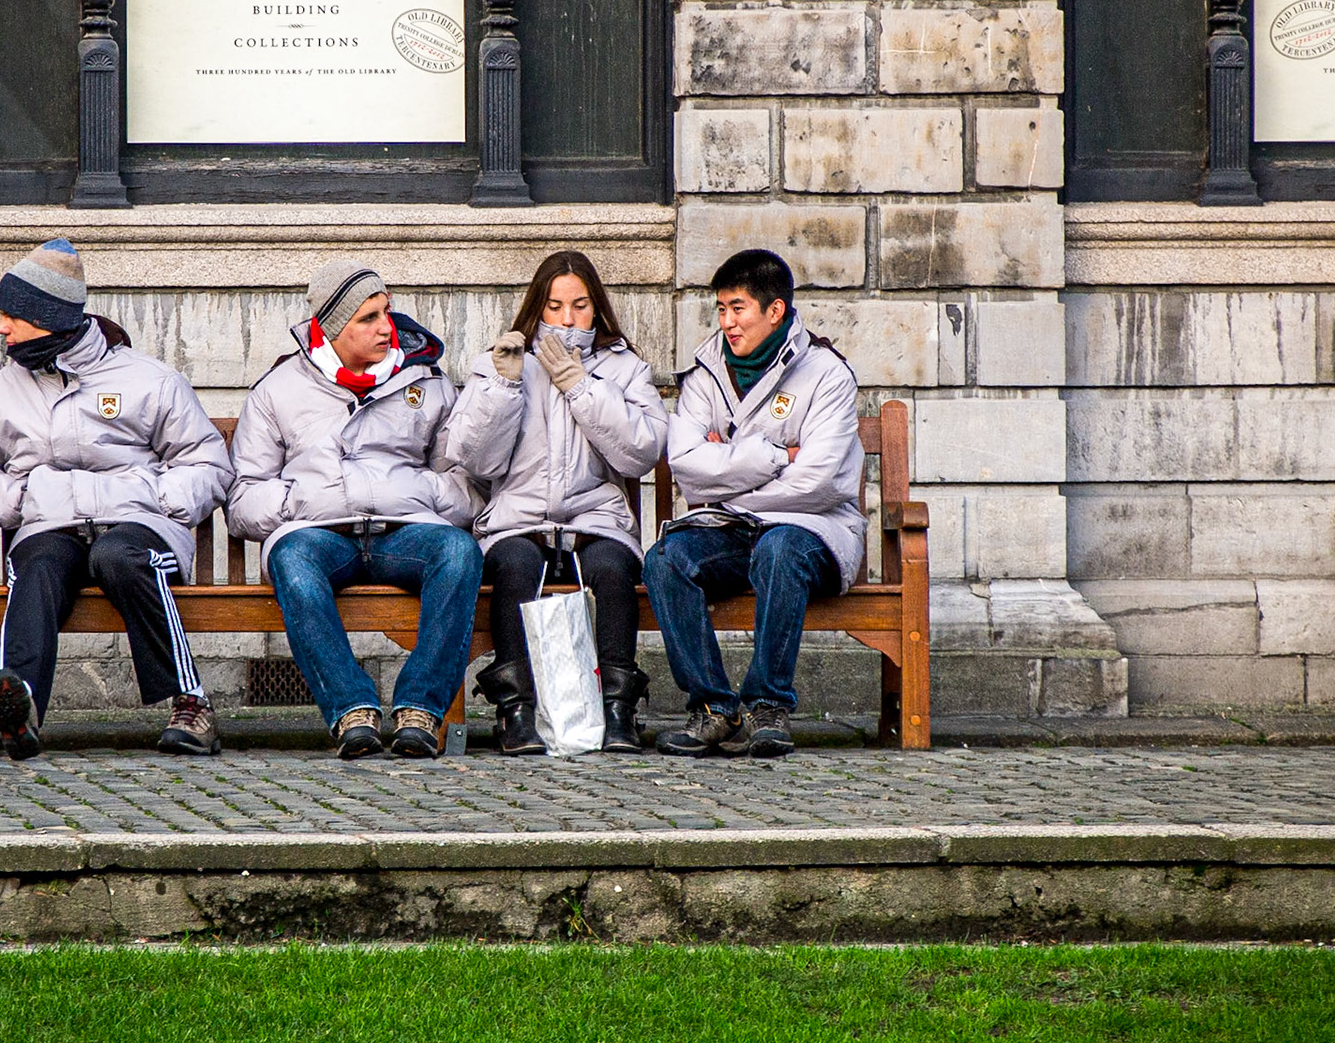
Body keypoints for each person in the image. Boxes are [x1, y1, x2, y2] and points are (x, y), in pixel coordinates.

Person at [0, 240, 234, 761]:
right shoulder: (0, 392)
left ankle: (191, 705)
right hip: (50, 526)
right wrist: (20, 496)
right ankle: (20, 714)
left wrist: (158, 496)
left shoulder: (149, 380)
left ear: (48, 317)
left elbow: (208, 463)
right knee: (37, 566)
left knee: (120, 557)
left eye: (11, 316)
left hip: (138, 526)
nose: (1, 328)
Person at [227, 259, 483, 760]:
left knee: (458, 552)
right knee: (292, 562)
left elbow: (465, 483)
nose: (386, 327)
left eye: (386, 313)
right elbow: (243, 497)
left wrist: (415, 492)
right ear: (332, 326)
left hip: (405, 531)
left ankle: (420, 710)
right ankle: (350, 709)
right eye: (368, 318)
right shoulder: (278, 389)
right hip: (319, 534)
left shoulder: (427, 384)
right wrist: (301, 501)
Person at [644, 249, 865, 760]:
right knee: (666, 558)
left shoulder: (827, 373)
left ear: (775, 311)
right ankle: (715, 709)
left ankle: (768, 706)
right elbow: (687, 466)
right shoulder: (704, 373)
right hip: (729, 527)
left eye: (737, 308)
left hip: (812, 530)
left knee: (779, 548)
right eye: (720, 309)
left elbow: (821, 480)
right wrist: (773, 456)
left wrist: (728, 469)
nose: (727, 322)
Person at [442, 251, 666, 754]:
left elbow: (641, 452)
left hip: (596, 515)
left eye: (581, 306)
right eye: (556, 306)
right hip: (517, 518)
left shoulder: (624, 367)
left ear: (597, 308)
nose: (568, 319)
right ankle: (515, 710)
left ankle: (617, 709)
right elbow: (473, 459)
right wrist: (502, 386)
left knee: (611, 568)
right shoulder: (499, 362)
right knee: (515, 565)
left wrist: (580, 386)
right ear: (537, 310)